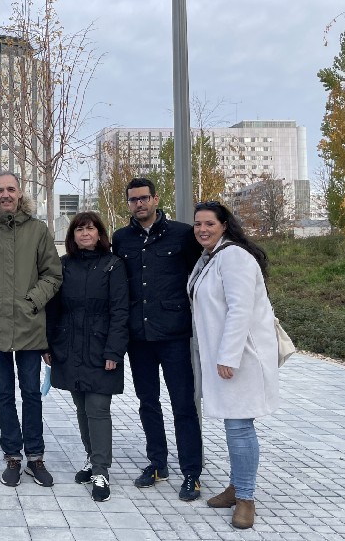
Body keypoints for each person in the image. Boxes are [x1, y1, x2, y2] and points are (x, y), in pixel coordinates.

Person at [0, 171, 62, 488]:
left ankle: (35, 456)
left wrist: (32, 301)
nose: (5, 194)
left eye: (10, 189)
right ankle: (12, 456)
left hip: (30, 324)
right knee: (4, 394)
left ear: (20, 193)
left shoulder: (38, 230)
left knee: (31, 393)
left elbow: (53, 274)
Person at [111, 177, 204, 501]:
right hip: (139, 337)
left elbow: (198, 276)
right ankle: (157, 463)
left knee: (183, 404)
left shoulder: (182, 234)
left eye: (144, 198)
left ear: (155, 199)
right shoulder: (121, 239)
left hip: (174, 334)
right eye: (133, 199)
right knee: (148, 402)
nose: (139, 204)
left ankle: (191, 472)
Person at [188, 201, 279, 530]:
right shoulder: (211, 257)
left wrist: (228, 356)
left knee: (240, 427)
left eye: (209, 223)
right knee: (233, 424)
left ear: (224, 225)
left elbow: (240, 309)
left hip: (241, 359)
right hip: (225, 357)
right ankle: (236, 486)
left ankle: (246, 499)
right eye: (198, 224)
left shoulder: (234, 257)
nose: (202, 229)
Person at [44, 212, 128, 501]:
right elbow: (53, 308)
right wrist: (48, 345)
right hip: (69, 347)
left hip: (101, 348)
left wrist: (114, 350)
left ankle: (102, 471)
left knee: (97, 408)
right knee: (81, 407)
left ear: (99, 233)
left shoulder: (113, 265)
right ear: (72, 236)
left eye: (90, 228)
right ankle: (92, 460)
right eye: (79, 229)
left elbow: (120, 311)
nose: (84, 234)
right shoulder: (63, 265)